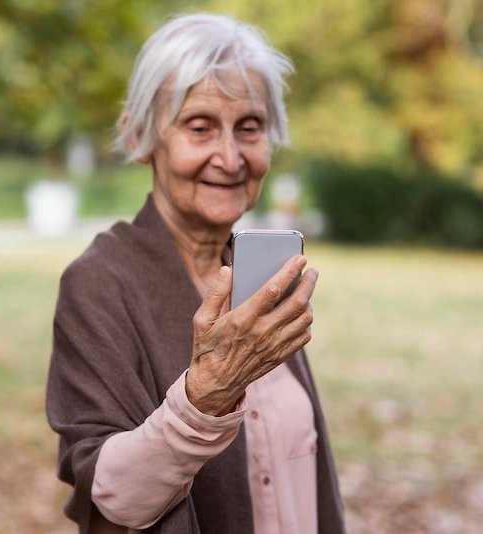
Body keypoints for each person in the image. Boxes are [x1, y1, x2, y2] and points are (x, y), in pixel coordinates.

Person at [46, 13, 345, 534]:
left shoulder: (259, 273)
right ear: (141, 139)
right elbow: (114, 501)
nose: (229, 158)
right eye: (199, 126)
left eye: (249, 128)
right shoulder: (100, 282)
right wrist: (207, 395)